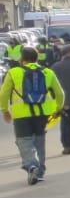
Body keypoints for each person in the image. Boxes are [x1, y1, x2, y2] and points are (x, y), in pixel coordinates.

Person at [4, 44, 63, 184]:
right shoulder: (48, 72)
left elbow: (4, 93)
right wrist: (58, 109)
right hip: (43, 114)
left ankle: (31, 166)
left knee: (24, 142)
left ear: (22, 58)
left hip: (21, 115)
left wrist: (4, 110)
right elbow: (60, 93)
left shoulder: (13, 73)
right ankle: (40, 171)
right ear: (37, 58)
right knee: (39, 142)